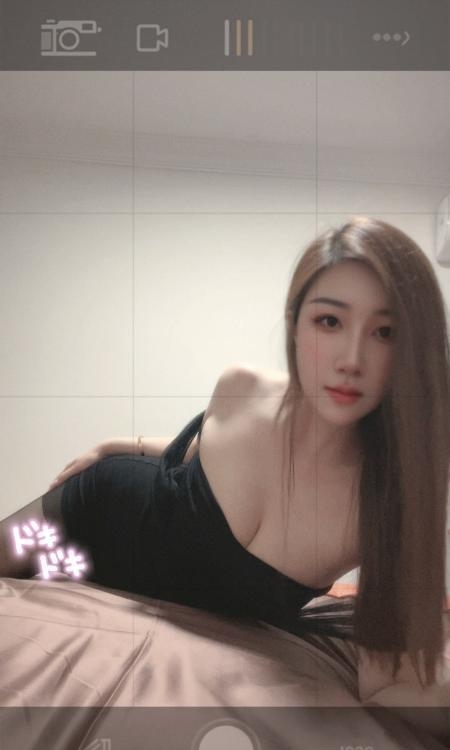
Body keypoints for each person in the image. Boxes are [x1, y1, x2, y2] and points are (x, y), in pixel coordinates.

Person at [1, 216, 448, 693]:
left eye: (385, 332)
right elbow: (204, 452)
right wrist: (120, 445)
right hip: (93, 511)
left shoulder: (391, 503)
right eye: (329, 321)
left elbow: (382, 684)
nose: (351, 359)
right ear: (295, 327)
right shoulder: (244, 386)